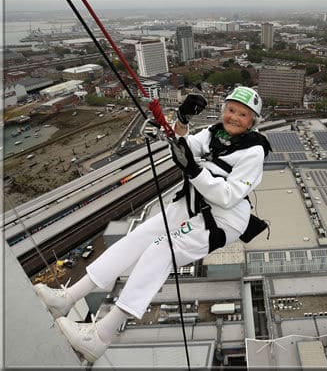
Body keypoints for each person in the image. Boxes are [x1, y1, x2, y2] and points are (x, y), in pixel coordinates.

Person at [33, 87, 272, 363]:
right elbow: (184, 144)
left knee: (160, 250)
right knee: (138, 238)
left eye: (243, 114)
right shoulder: (213, 133)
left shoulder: (253, 152)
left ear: (252, 122)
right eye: (231, 109)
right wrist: (181, 119)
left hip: (222, 219)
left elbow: (228, 196)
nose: (234, 117)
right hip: (192, 205)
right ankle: (68, 298)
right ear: (223, 110)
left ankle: (101, 336)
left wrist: (193, 170)